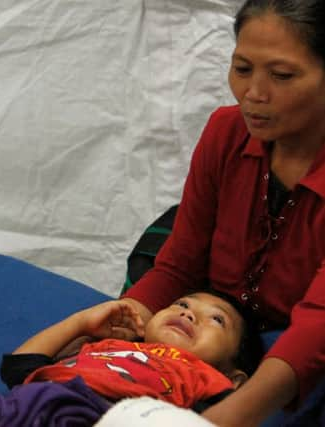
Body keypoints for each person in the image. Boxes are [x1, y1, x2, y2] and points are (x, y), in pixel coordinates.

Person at [119, 0, 325, 425]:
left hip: (298, 350)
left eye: (282, 75)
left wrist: (218, 421)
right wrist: (118, 336)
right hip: (223, 332)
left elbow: (317, 328)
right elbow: (178, 266)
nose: (254, 94)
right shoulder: (225, 133)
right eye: (243, 68)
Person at [0, 291, 263, 426]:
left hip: (106, 414)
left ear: (235, 380)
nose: (188, 314)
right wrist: (82, 322)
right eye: (182, 304)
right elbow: (18, 367)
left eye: (216, 319)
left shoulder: (206, 377)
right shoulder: (108, 346)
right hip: (33, 400)